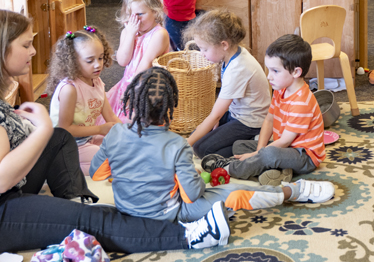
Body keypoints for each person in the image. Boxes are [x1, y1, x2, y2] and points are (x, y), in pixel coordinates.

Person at [0, 9, 230, 256]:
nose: (32, 51)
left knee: (58, 139)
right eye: (25, 44)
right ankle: (191, 236)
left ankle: (70, 205)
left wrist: (42, 132)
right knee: (89, 219)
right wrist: (40, 130)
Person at [89, 67, 335, 223]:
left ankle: (278, 177)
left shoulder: (115, 134)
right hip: (170, 213)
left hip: (127, 209)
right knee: (234, 193)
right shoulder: (177, 145)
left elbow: (97, 173)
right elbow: (194, 194)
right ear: (170, 107)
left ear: (133, 102)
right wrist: (189, 176)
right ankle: (294, 191)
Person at [201, 34, 327, 186]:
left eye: (275, 71)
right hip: (285, 147)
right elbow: (268, 120)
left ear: (296, 72)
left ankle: (229, 169)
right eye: (268, 70)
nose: (269, 77)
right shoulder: (280, 89)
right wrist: (258, 150)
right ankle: (277, 171)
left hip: (304, 156)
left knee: (269, 153)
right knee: (240, 145)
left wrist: (257, 154)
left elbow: (286, 140)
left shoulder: (302, 102)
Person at [184, 10, 270, 158]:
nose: (202, 53)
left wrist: (183, 146)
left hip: (251, 123)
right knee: (197, 133)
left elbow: (215, 115)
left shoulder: (238, 68)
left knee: (201, 149)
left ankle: (255, 144)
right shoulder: (233, 53)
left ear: (224, 44)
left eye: (204, 49)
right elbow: (219, 110)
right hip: (236, 112)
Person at [46, 26, 121, 174]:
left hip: (88, 138)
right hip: (67, 145)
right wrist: (100, 129)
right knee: (110, 163)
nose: (98, 64)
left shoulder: (97, 80)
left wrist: (128, 135)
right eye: (89, 60)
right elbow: (65, 129)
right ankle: (57, 168)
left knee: (123, 150)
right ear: (73, 61)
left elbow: (110, 116)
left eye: (100, 57)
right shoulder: (69, 89)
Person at [106, 0, 171, 121]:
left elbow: (145, 64)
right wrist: (129, 35)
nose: (135, 20)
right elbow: (123, 61)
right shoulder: (128, 32)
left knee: (135, 124)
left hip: (146, 89)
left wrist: (131, 91)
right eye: (131, 15)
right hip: (127, 84)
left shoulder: (159, 34)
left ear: (155, 11)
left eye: (140, 14)